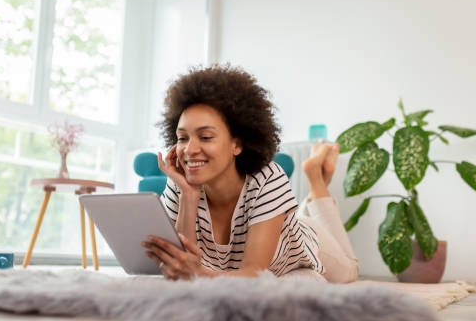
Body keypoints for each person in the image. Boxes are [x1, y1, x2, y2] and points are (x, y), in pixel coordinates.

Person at [141, 64, 358, 283]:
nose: (189, 149)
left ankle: (316, 184)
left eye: (205, 137)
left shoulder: (268, 178)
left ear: (237, 144)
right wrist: (188, 195)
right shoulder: (180, 184)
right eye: (182, 138)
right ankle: (308, 197)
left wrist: (200, 275)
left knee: (350, 272)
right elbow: (182, 268)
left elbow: (254, 272)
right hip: (274, 219)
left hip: (303, 243)